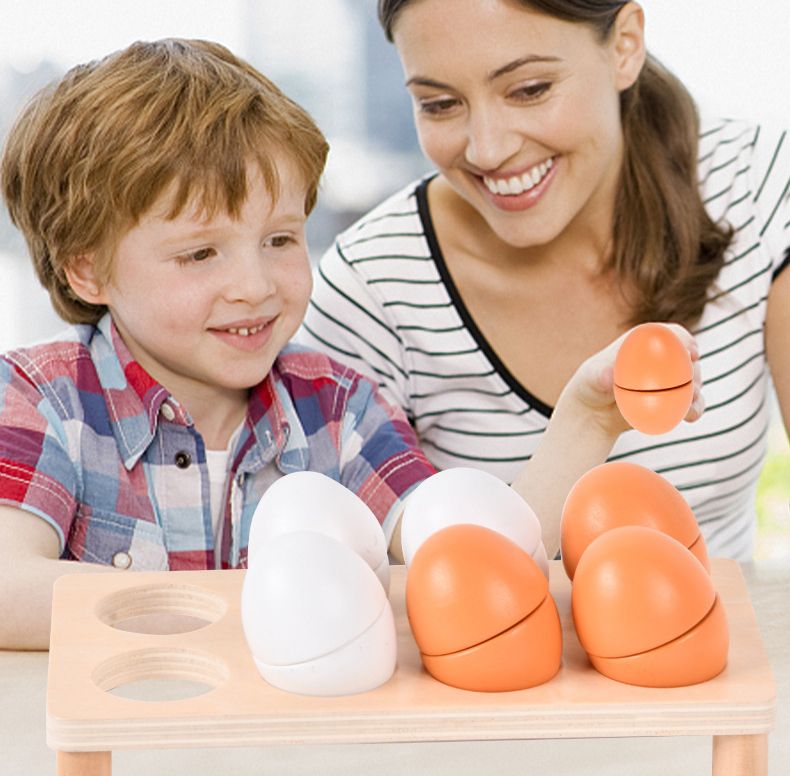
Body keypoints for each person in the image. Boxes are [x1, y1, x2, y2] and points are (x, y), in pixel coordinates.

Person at [0, 36, 701, 650]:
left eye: (278, 240)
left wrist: (587, 416)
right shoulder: (43, 399)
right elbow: (8, 589)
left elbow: (475, 554)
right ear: (86, 267)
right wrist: (258, 606)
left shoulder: (337, 408)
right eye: (200, 255)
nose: (255, 285)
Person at [300, 0, 789, 563]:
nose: (487, 149)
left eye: (529, 89)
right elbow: (371, 589)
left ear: (625, 44)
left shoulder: (758, 186)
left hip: (727, 647)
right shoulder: (369, 289)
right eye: (439, 104)